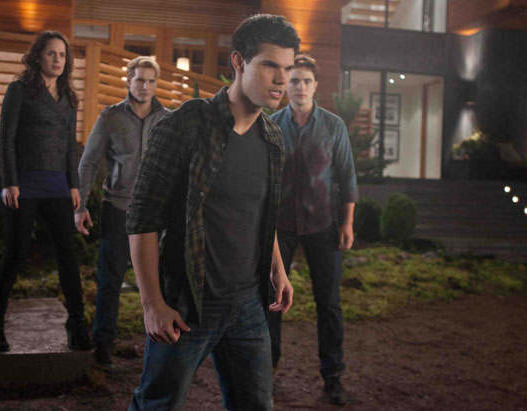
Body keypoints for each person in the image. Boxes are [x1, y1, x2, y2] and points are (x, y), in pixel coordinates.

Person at [125, 14, 300, 410]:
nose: (281, 80)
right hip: (188, 302)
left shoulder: (273, 138)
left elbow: (263, 213)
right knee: (157, 404)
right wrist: (152, 304)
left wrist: (278, 270)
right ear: (238, 61)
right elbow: (142, 217)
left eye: (288, 69)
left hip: (248, 304)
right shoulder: (187, 124)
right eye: (270, 65)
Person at [0, 31, 93, 352]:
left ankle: (76, 325)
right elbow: (6, 139)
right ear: (38, 56)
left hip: (57, 186)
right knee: (16, 253)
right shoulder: (19, 90)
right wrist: (9, 182)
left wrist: (73, 184)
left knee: (67, 255)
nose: (57, 59)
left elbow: (70, 146)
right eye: (50, 53)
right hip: (23, 185)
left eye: (62, 54)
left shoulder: (69, 98)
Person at [269, 54, 358, 406]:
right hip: (280, 226)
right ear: (286, 85)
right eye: (294, 81)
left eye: (306, 81)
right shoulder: (271, 125)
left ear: (316, 85)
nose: (300, 87)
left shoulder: (334, 126)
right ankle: (267, 370)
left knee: (329, 302)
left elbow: (347, 175)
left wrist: (347, 223)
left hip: (323, 223)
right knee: (272, 300)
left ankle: (333, 375)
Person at [74, 56, 169, 368]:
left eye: (151, 81)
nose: (145, 86)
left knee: (160, 283)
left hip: (155, 214)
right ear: (128, 81)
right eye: (140, 80)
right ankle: (103, 346)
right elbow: (88, 162)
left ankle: (162, 349)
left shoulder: (167, 119)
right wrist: (80, 205)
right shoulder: (110, 117)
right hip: (117, 208)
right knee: (110, 280)